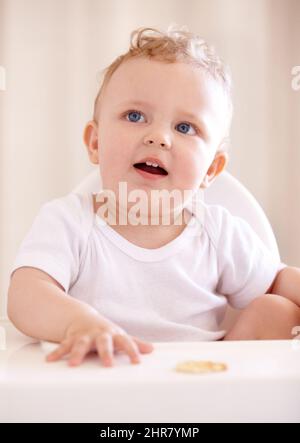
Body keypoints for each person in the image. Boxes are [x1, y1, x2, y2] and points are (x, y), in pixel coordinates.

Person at [7, 25, 300, 368]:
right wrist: (77, 323)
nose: (159, 137)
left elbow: (276, 279)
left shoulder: (217, 232)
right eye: (135, 116)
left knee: (276, 310)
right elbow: (25, 294)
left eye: (185, 127)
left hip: (201, 379)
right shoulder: (70, 222)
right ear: (95, 143)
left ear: (211, 169)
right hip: (103, 376)